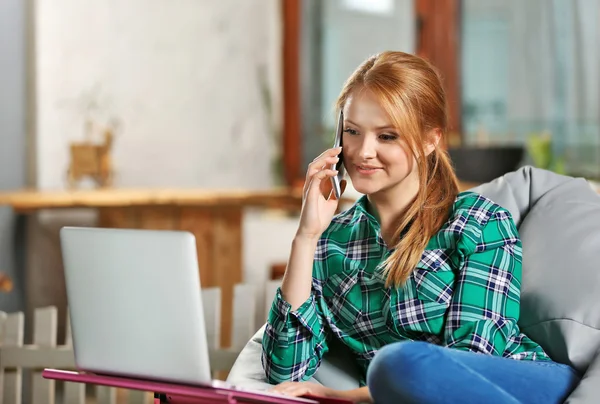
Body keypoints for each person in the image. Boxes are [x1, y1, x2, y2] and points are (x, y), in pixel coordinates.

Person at [261, 51, 580, 404]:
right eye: (352, 131)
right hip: (410, 394)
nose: (363, 151)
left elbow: (472, 358)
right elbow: (284, 371)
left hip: (524, 385)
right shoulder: (331, 242)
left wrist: (349, 397)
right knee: (396, 365)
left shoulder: (479, 222)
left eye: (387, 136)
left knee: (400, 362)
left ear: (430, 140)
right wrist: (305, 237)